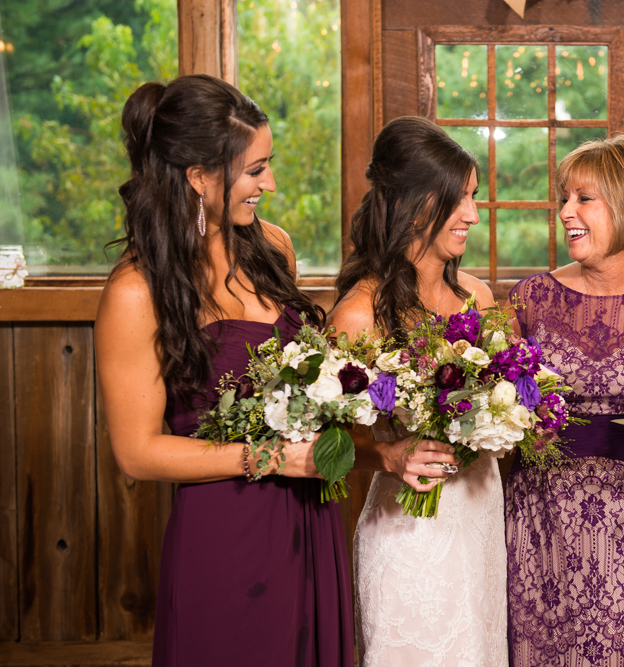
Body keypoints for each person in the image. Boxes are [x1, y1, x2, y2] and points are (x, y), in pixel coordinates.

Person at [95, 75, 353, 666]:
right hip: (224, 532)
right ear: (198, 177)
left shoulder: (273, 250)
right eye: (255, 170)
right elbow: (137, 452)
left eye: (270, 165)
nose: (271, 183)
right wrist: (269, 458)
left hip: (311, 517)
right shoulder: (137, 293)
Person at [505, 134, 624, 666]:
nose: (565, 211)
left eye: (583, 198)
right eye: (564, 198)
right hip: (544, 519)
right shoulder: (529, 299)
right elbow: (499, 410)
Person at [329, 115, 506, 666]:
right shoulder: (360, 314)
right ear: (413, 202)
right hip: (410, 532)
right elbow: (326, 444)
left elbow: (513, 401)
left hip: (480, 516)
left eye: (474, 197)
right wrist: (384, 450)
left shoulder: (478, 297)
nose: (473, 215)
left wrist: (513, 417)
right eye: (459, 200)